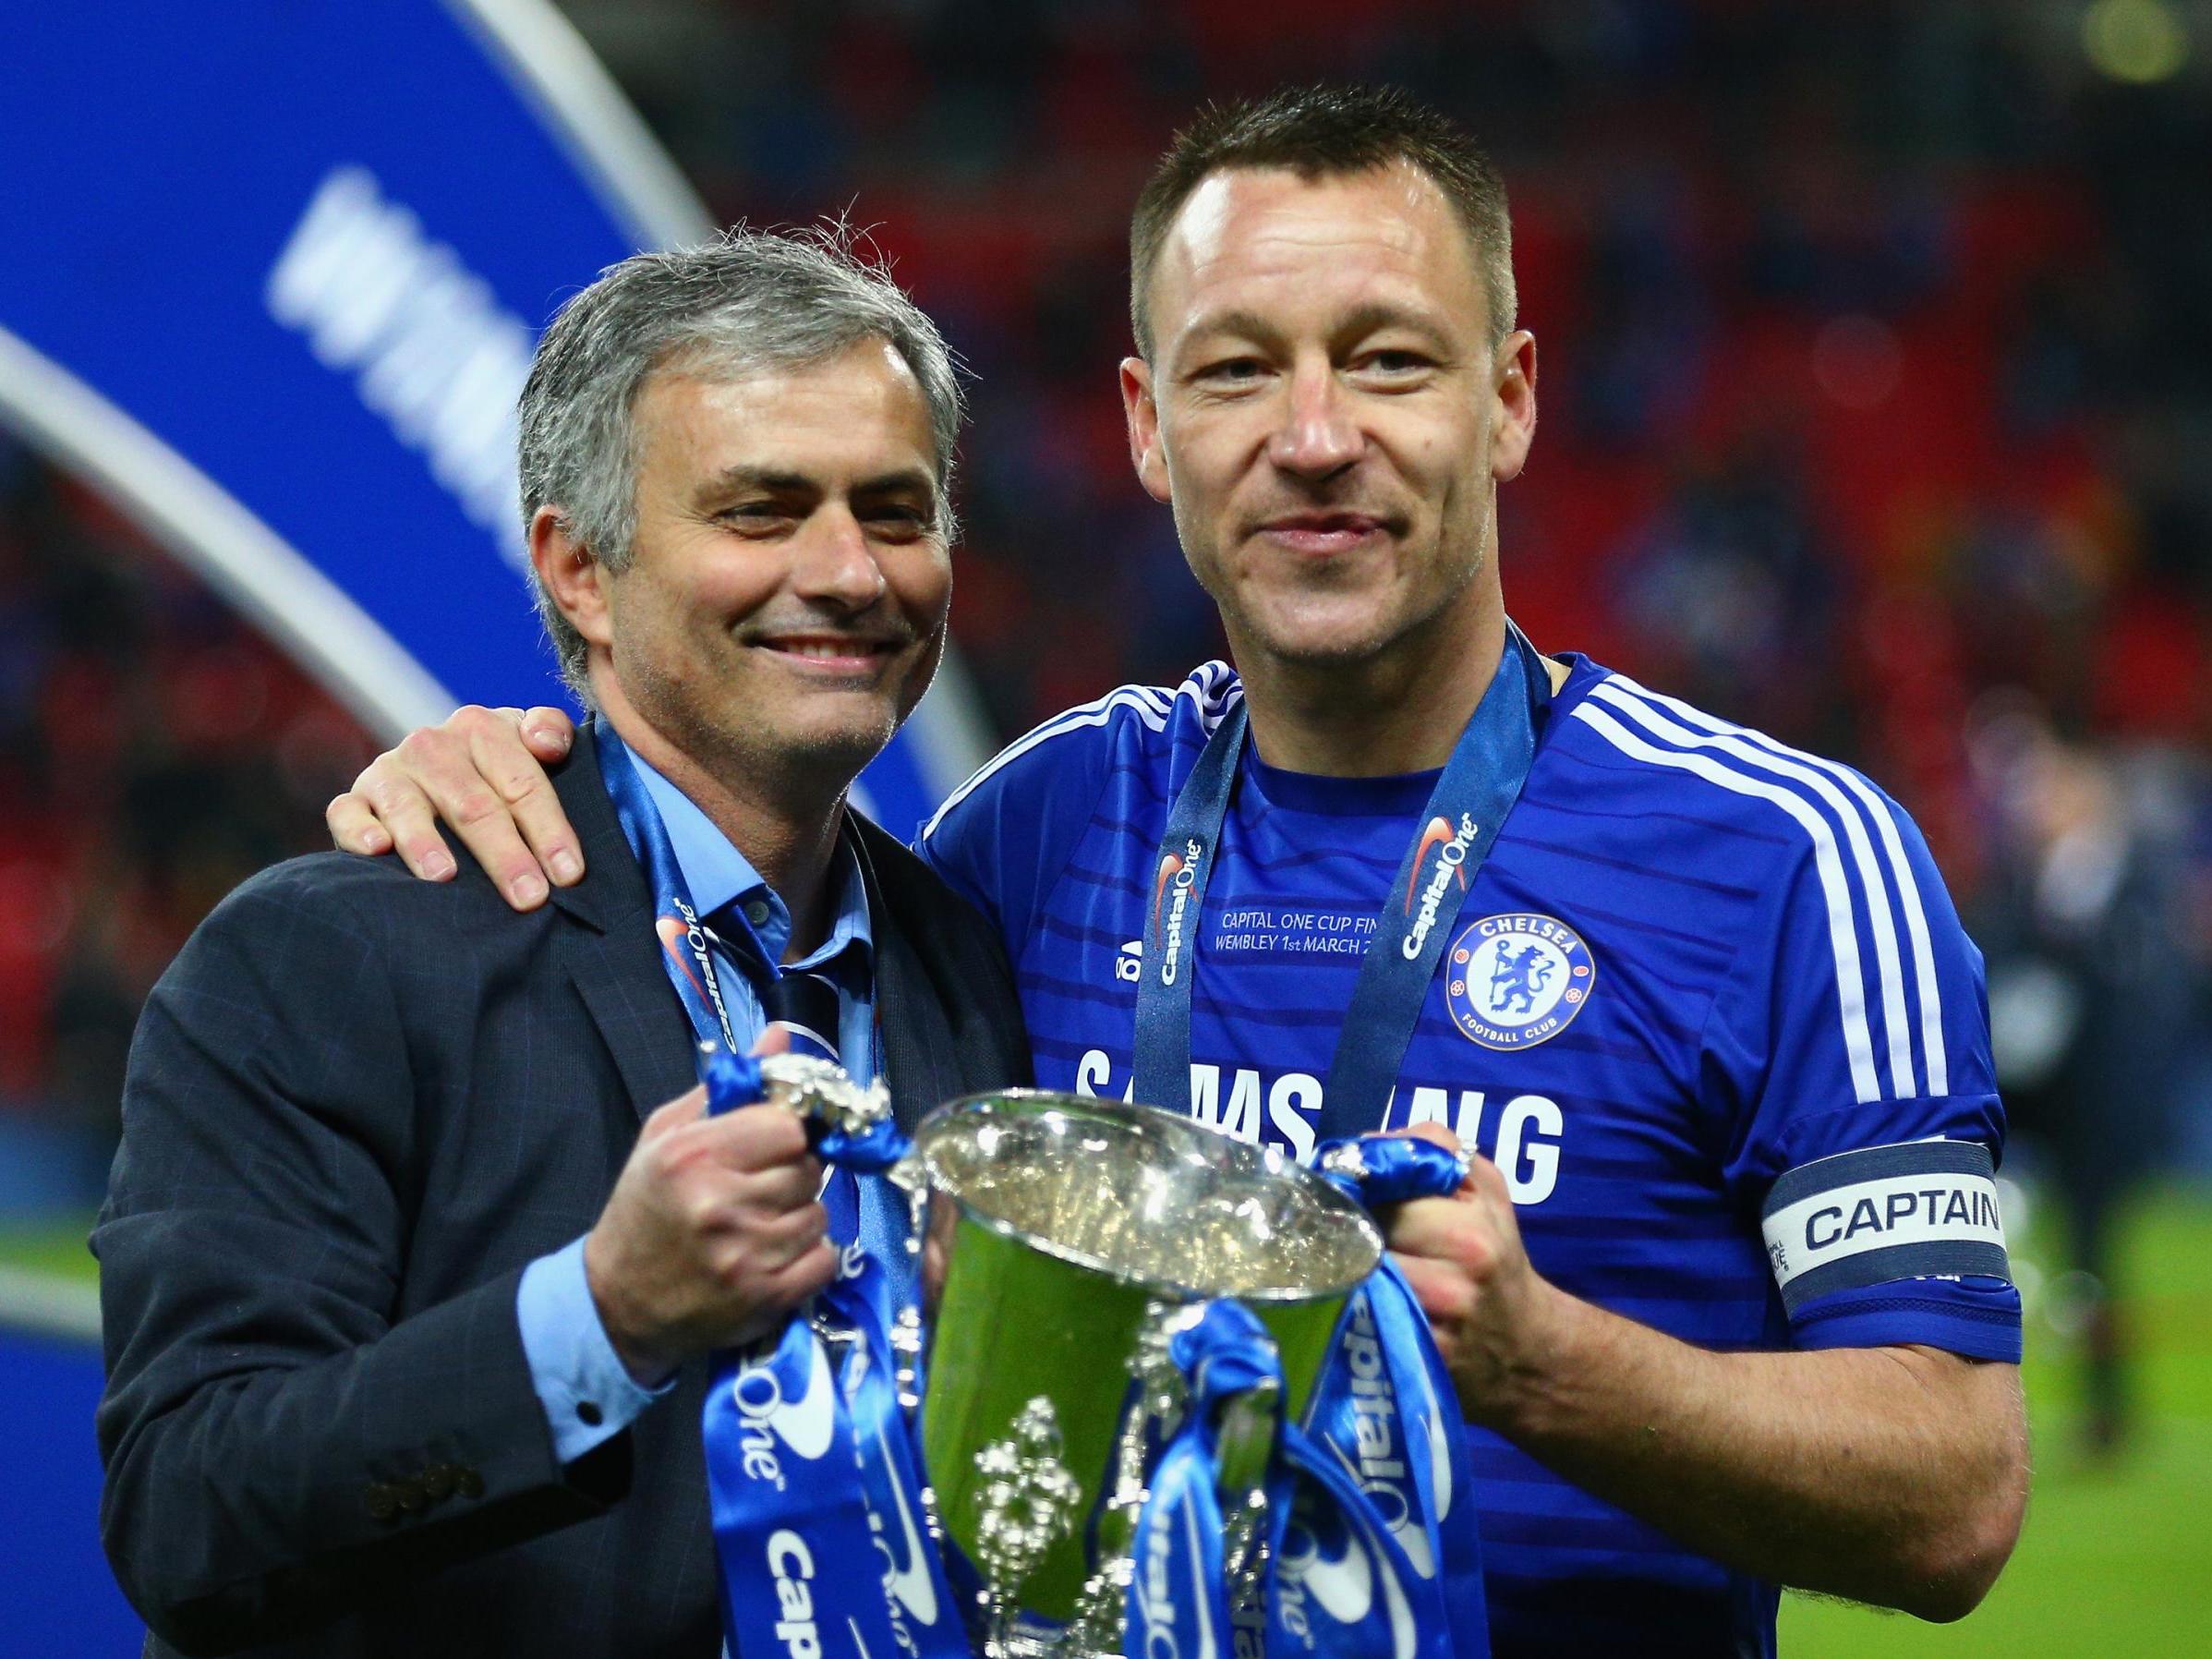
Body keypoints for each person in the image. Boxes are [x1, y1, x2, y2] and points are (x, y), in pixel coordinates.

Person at [329, 87, 2029, 1657]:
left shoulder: (1788, 862)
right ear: (1147, 426)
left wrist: (1546, 1367)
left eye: (1387, 361)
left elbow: (1956, 1498)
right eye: (1234, 370)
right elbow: (728, 882)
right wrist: (511, 750)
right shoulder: (1039, 826)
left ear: (1510, 399)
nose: (1311, 436)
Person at [97, 229, 1031, 1658]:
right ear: (581, 569)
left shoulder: (968, 959)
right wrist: (600, 1320)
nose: (849, 571)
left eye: (896, 512)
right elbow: (190, 1516)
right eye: (764, 510)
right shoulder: (328, 958)